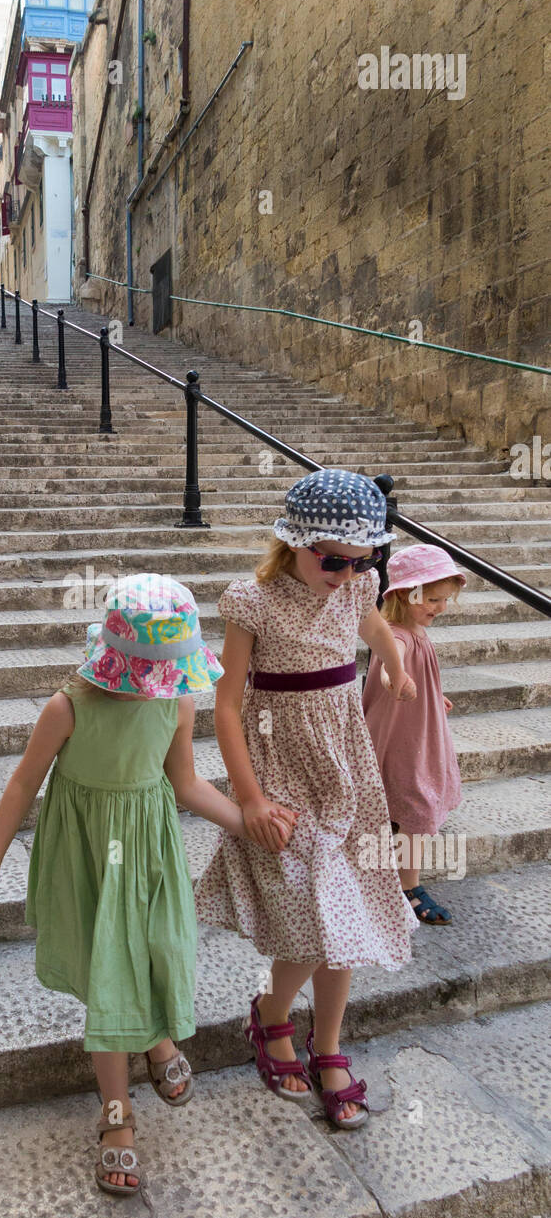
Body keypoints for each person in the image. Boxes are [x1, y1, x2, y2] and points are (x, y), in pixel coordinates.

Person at [0, 574, 249, 1195]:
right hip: (91, 854)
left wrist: (246, 821)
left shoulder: (176, 700)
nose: (152, 687)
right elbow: (22, 783)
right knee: (111, 975)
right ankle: (116, 1119)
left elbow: (186, 783)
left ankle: (156, 1038)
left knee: (158, 949)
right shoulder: (67, 706)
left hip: (149, 849)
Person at [194, 469, 418, 1129]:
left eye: (361, 561)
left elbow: (375, 628)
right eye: (333, 560)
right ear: (295, 542)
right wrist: (250, 797)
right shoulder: (252, 601)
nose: (346, 573)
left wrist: (396, 667)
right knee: (316, 906)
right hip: (281, 769)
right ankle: (269, 1016)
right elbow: (227, 707)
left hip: (344, 770)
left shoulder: (357, 588)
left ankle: (324, 1045)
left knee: (345, 907)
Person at [362, 544, 466, 926]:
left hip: (419, 731)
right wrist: (394, 679)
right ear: (405, 595)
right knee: (418, 807)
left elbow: (418, 669)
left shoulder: (416, 628)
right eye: (432, 599)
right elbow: (394, 666)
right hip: (399, 737)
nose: (439, 607)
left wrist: (435, 695)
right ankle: (408, 887)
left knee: (407, 805)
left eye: (444, 600)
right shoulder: (395, 635)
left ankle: (390, 872)